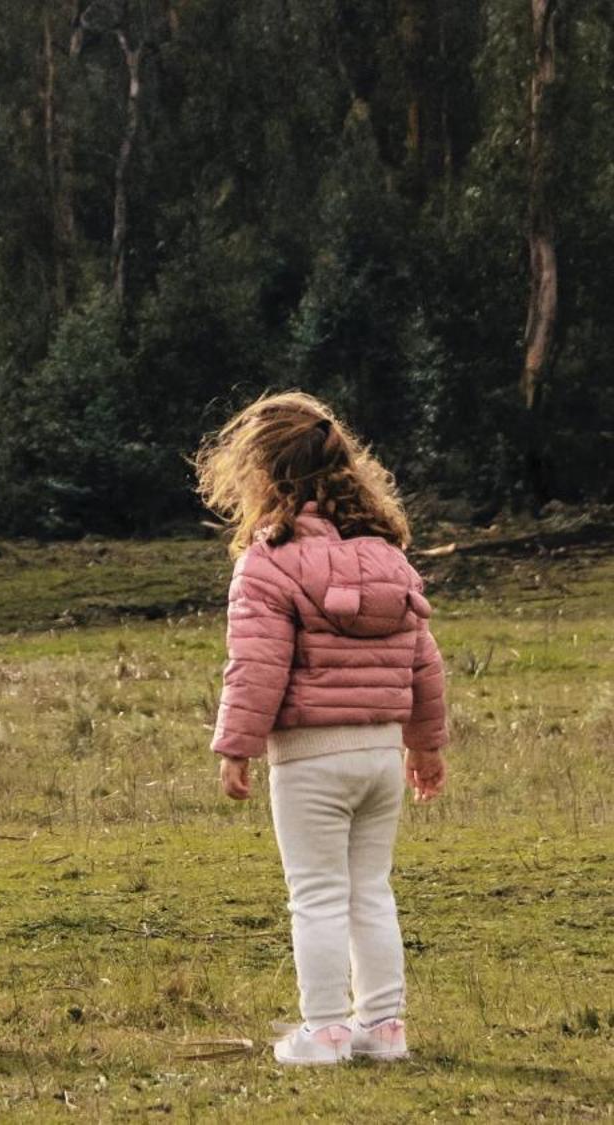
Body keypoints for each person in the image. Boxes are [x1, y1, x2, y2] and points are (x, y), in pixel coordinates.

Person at [194, 391, 448, 1066]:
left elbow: (257, 664)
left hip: (311, 759)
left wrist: (236, 746)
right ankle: (384, 1026)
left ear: (261, 475)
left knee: (316, 893)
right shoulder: (390, 559)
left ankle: (326, 1029)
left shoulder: (268, 562)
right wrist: (424, 743)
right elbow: (426, 660)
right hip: (379, 756)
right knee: (371, 888)